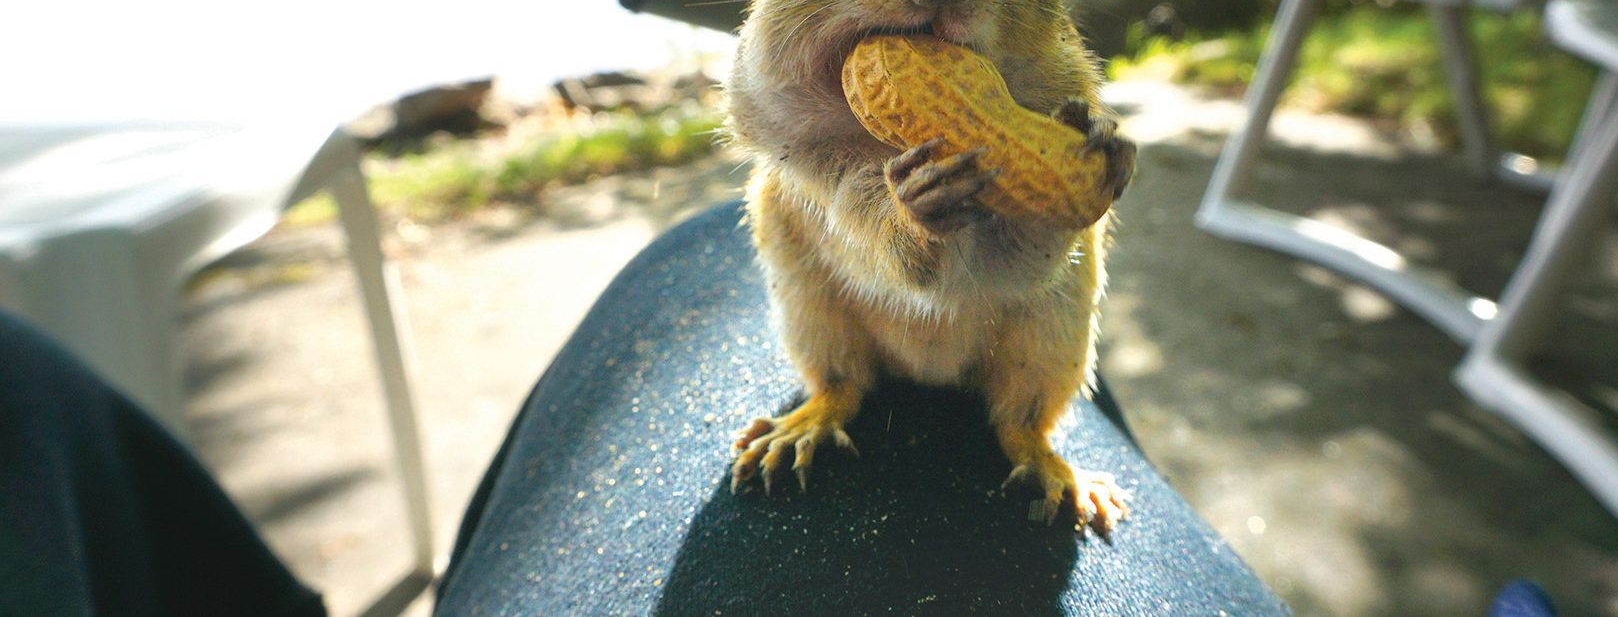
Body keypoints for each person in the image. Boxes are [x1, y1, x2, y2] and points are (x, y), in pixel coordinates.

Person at [0, 201, 1288, 615]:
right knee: (724, 253)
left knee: (707, 260)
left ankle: (1032, 430)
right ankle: (843, 390)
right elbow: (762, 117)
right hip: (851, 348)